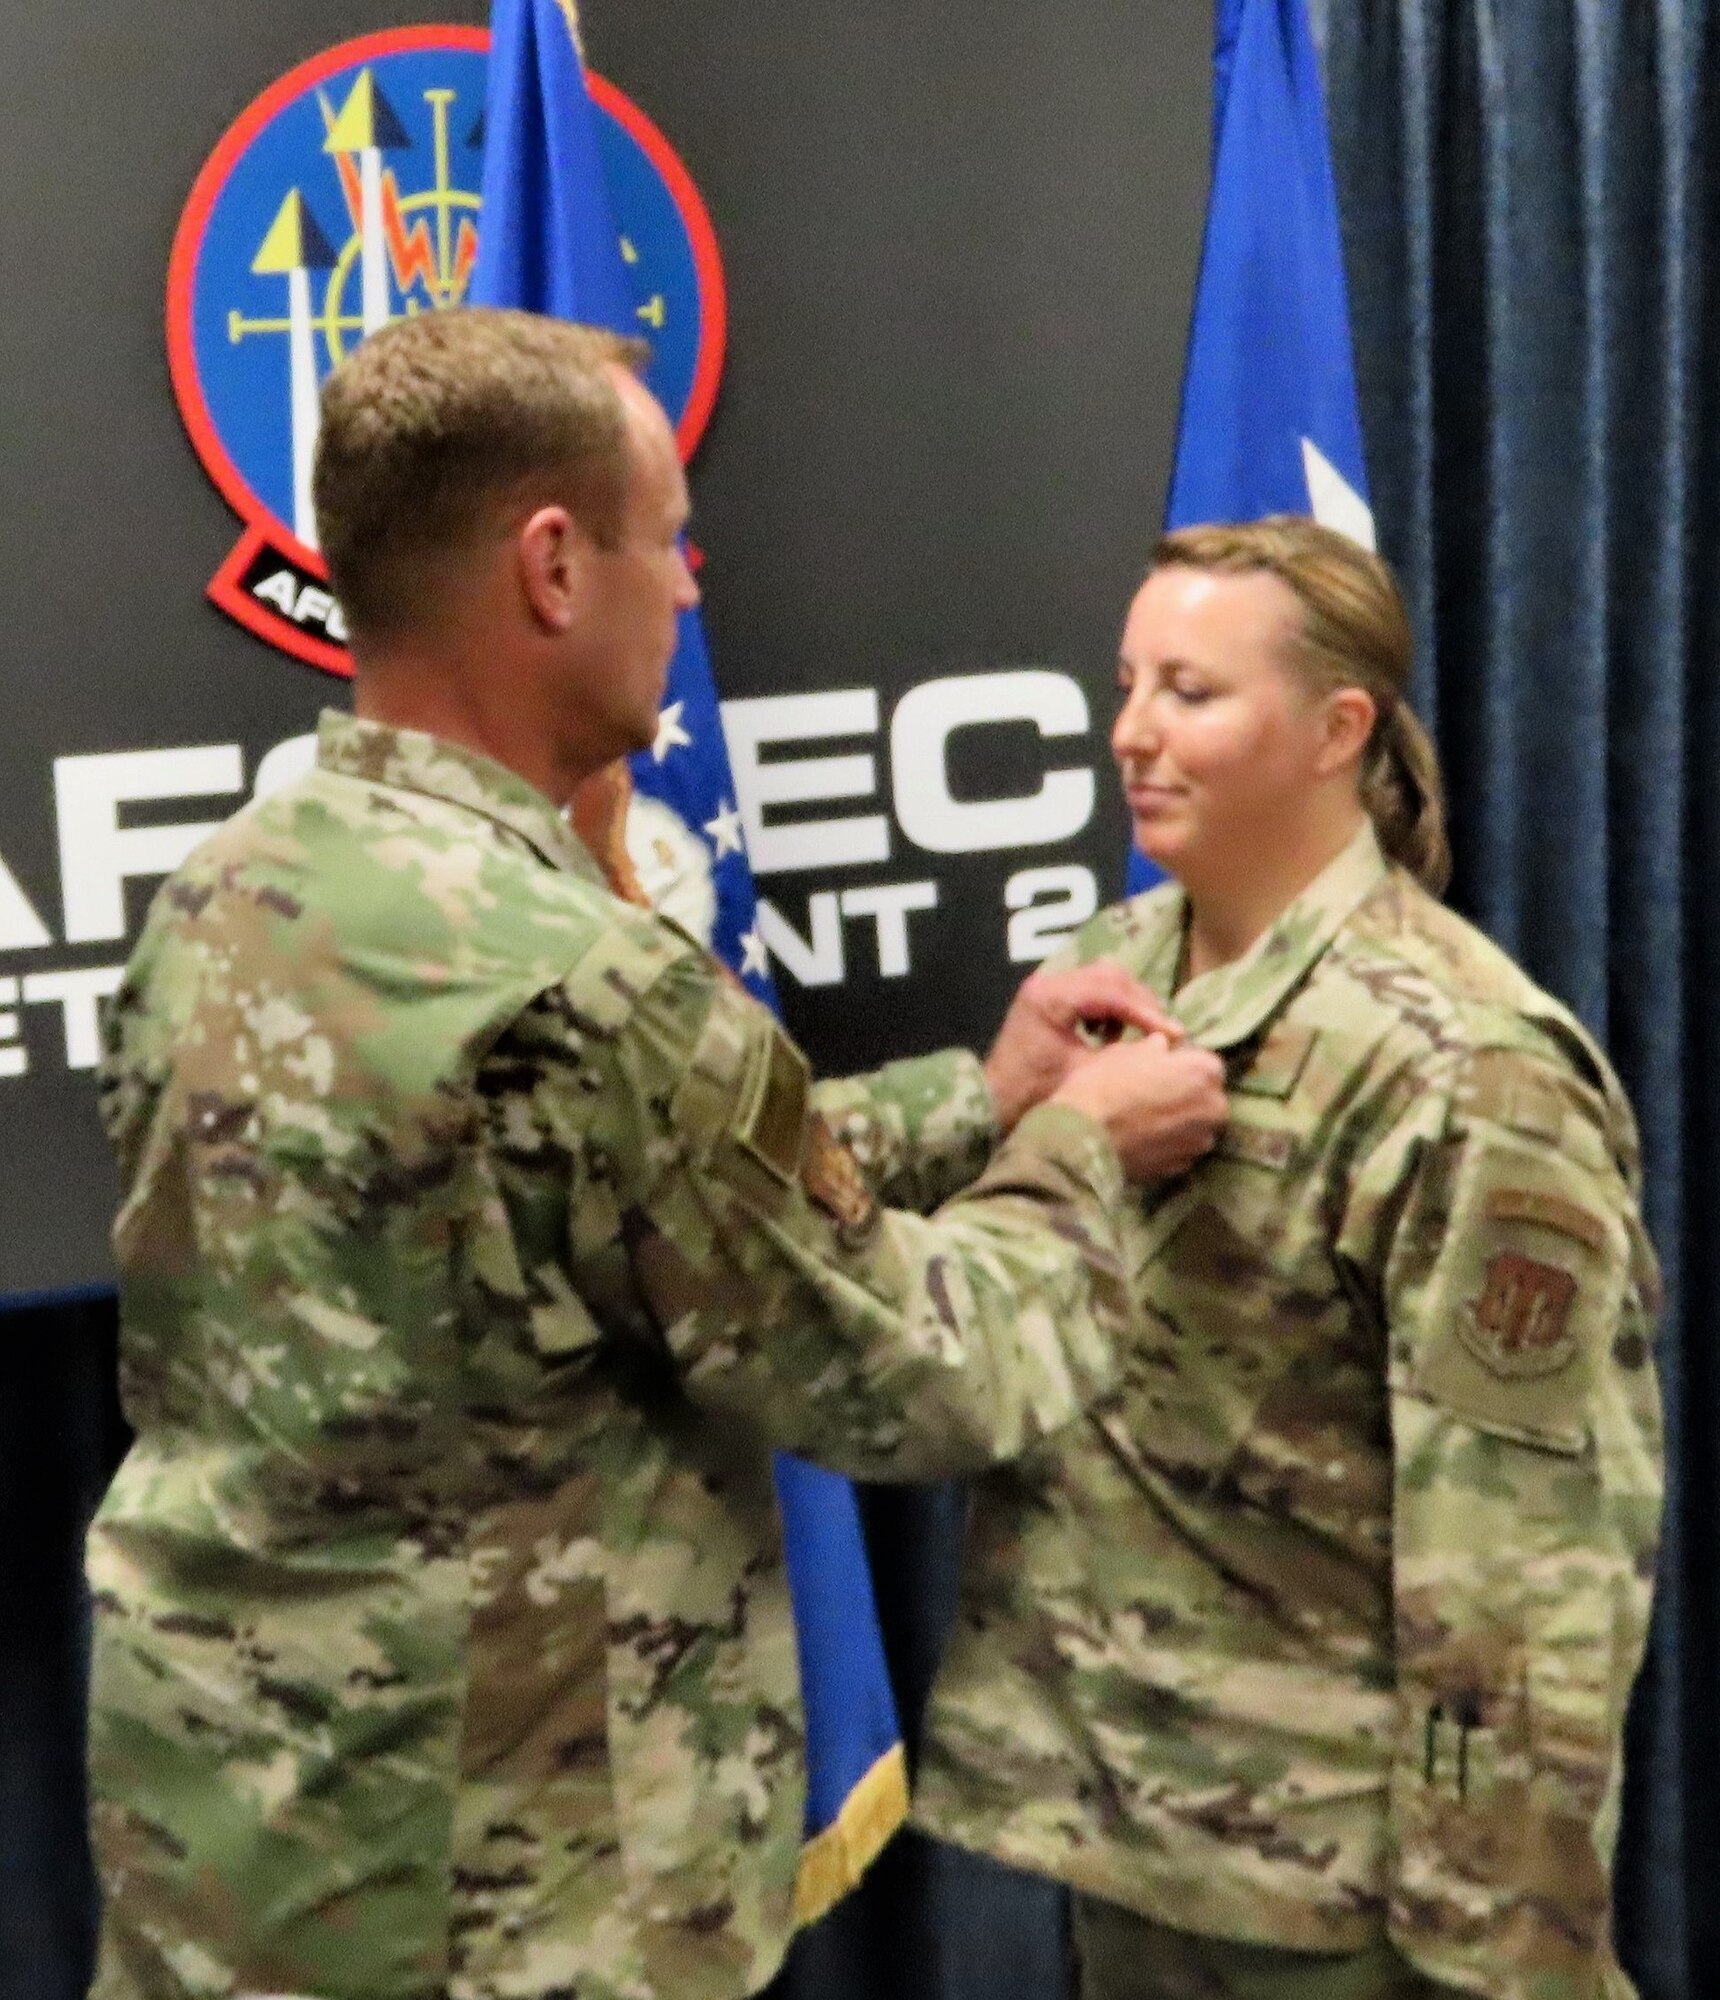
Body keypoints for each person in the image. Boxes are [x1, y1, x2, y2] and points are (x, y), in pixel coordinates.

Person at [84, 307, 1228, 2000]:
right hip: (510, 1911)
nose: (690, 590)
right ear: (553, 566)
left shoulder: (227, 893)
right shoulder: (587, 980)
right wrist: (1077, 1152)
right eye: (669, 539)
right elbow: (910, 1373)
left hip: (239, 1861)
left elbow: (586, 1211)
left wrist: (979, 1100)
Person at [912, 517, 1664, 2000]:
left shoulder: (1462, 1064)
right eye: (1126, 683)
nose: (1130, 732)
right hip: (1135, 1838)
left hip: (1339, 1896)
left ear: (1338, 731)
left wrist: (1499, 1949)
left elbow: (1527, 1564)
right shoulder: (1113, 975)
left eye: (1190, 693)